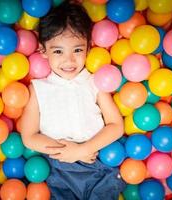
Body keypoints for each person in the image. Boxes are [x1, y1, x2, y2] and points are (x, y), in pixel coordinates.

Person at [18, 1, 126, 199]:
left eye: (77, 50)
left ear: (88, 47)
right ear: (43, 50)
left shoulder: (95, 82)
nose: (69, 61)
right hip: (61, 168)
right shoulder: (38, 88)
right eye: (58, 51)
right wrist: (70, 152)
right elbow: (29, 136)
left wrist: (84, 149)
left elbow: (116, 125)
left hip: (98, 159)